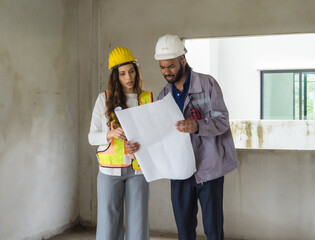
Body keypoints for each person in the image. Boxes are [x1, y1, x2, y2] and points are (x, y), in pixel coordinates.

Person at [154, 34, 239, 240]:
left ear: (183, 60)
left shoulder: (208, 84)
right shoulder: (163, 96)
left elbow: (222, 121)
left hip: (208, 169)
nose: (167, 72)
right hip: (180, 170)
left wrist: (197, 125)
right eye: (163, 67)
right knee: (184, 231)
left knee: (213, 229)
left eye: (171, 66)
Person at [88, 47, 152, 240]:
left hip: (138, 171)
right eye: (122, 73)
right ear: (116, 76)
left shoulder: (146, 98)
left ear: (136, 70)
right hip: (109, 172)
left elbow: (153, 135)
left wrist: (140, 146)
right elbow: (91, 137)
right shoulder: (104, 99)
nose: (128, 77)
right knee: (108, 229)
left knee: (138, 228)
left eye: (131, 71)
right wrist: (109, 134)